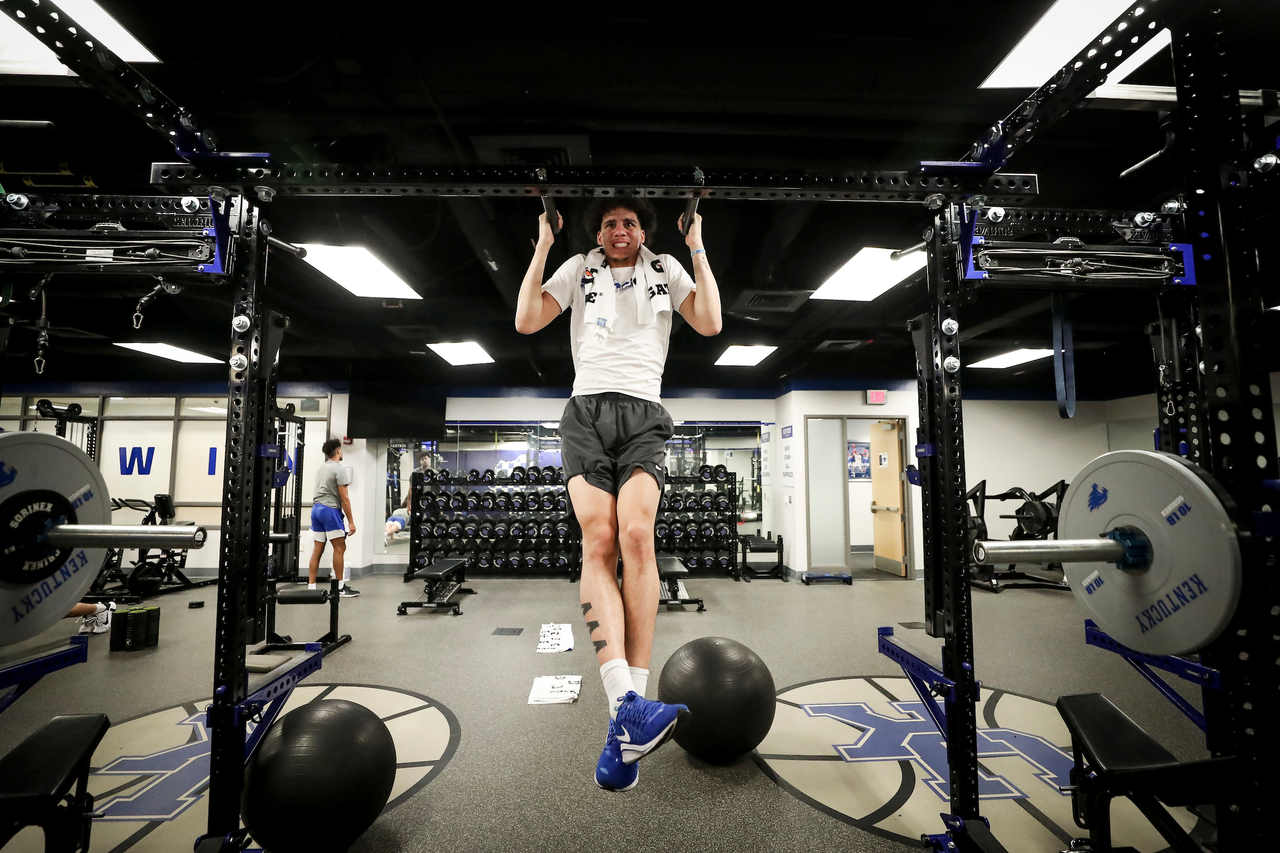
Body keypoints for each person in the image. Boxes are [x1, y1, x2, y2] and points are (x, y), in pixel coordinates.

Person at [515, 197, 722, 791]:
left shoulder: (667, 269)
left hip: (645, 411)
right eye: (609, 223)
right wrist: (544, 244)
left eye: (629, 222)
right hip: (585, 410)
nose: (620, 230)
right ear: (599, 234)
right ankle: (625, 709)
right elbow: (528, 319)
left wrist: (696, 245)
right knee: (599, 537)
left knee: (636, 531)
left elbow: (709, 321)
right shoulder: (578, 268)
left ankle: (626, 710)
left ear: (642, 231)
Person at [309, 438, 359, 597]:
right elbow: (344, 498)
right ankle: (339, 587)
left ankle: (311, 587)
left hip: (316, 510)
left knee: (318, 549)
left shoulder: (321, 468)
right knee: (340, 547)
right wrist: (351, 521)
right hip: (330, 510)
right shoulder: (339, 469)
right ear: (338, 451)